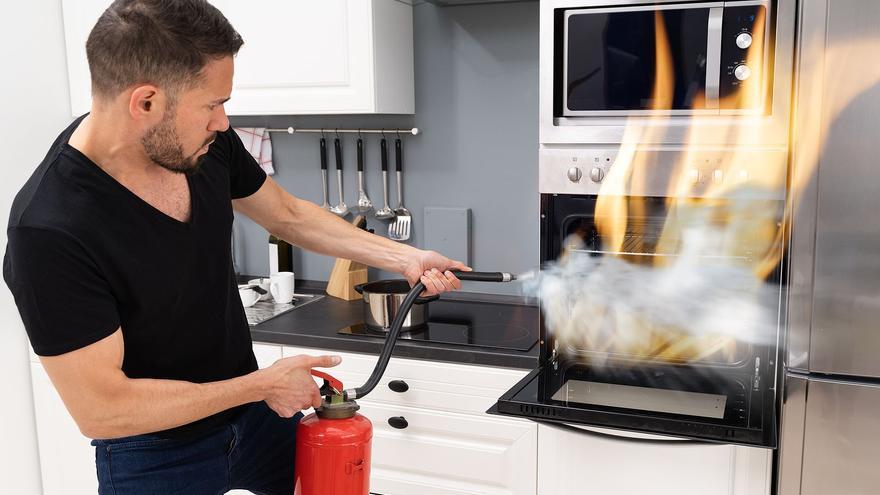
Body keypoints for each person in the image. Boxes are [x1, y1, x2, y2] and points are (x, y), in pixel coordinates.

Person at [2, 1, 468, 493]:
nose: (223, 122)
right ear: (145, 103)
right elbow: (104, 410)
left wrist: (405, 257)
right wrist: (263, 384)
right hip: (153, 452)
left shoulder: (201, 146)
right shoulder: (50, 230)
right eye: (211, 104)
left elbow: (285, 214)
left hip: (253, 419)